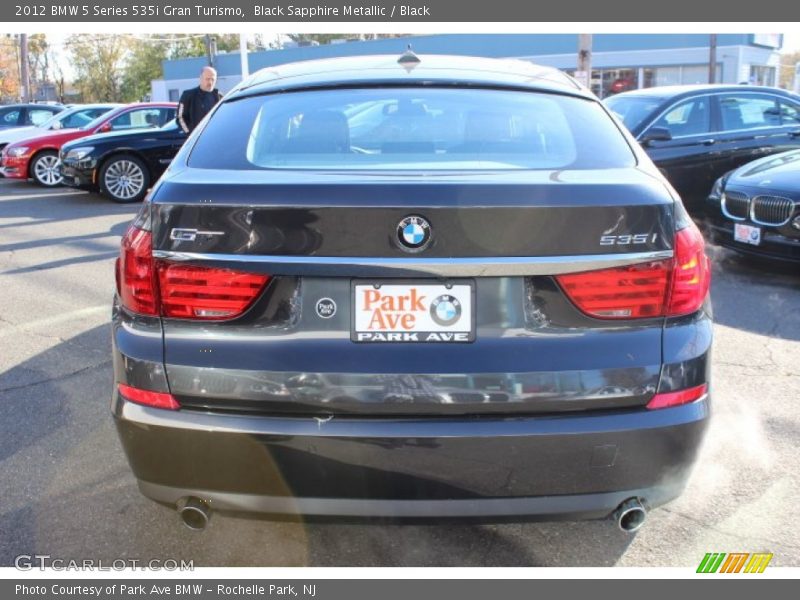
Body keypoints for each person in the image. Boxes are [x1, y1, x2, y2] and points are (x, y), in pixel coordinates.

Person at [176, 66, 222, 134]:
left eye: (213, 79)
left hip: (216, 137)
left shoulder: (220, 97)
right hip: (197, 139)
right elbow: (180, 118)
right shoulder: (188, 95)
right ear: (200, 78)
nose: (210, 82)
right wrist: (190, 133)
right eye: (207, 79)